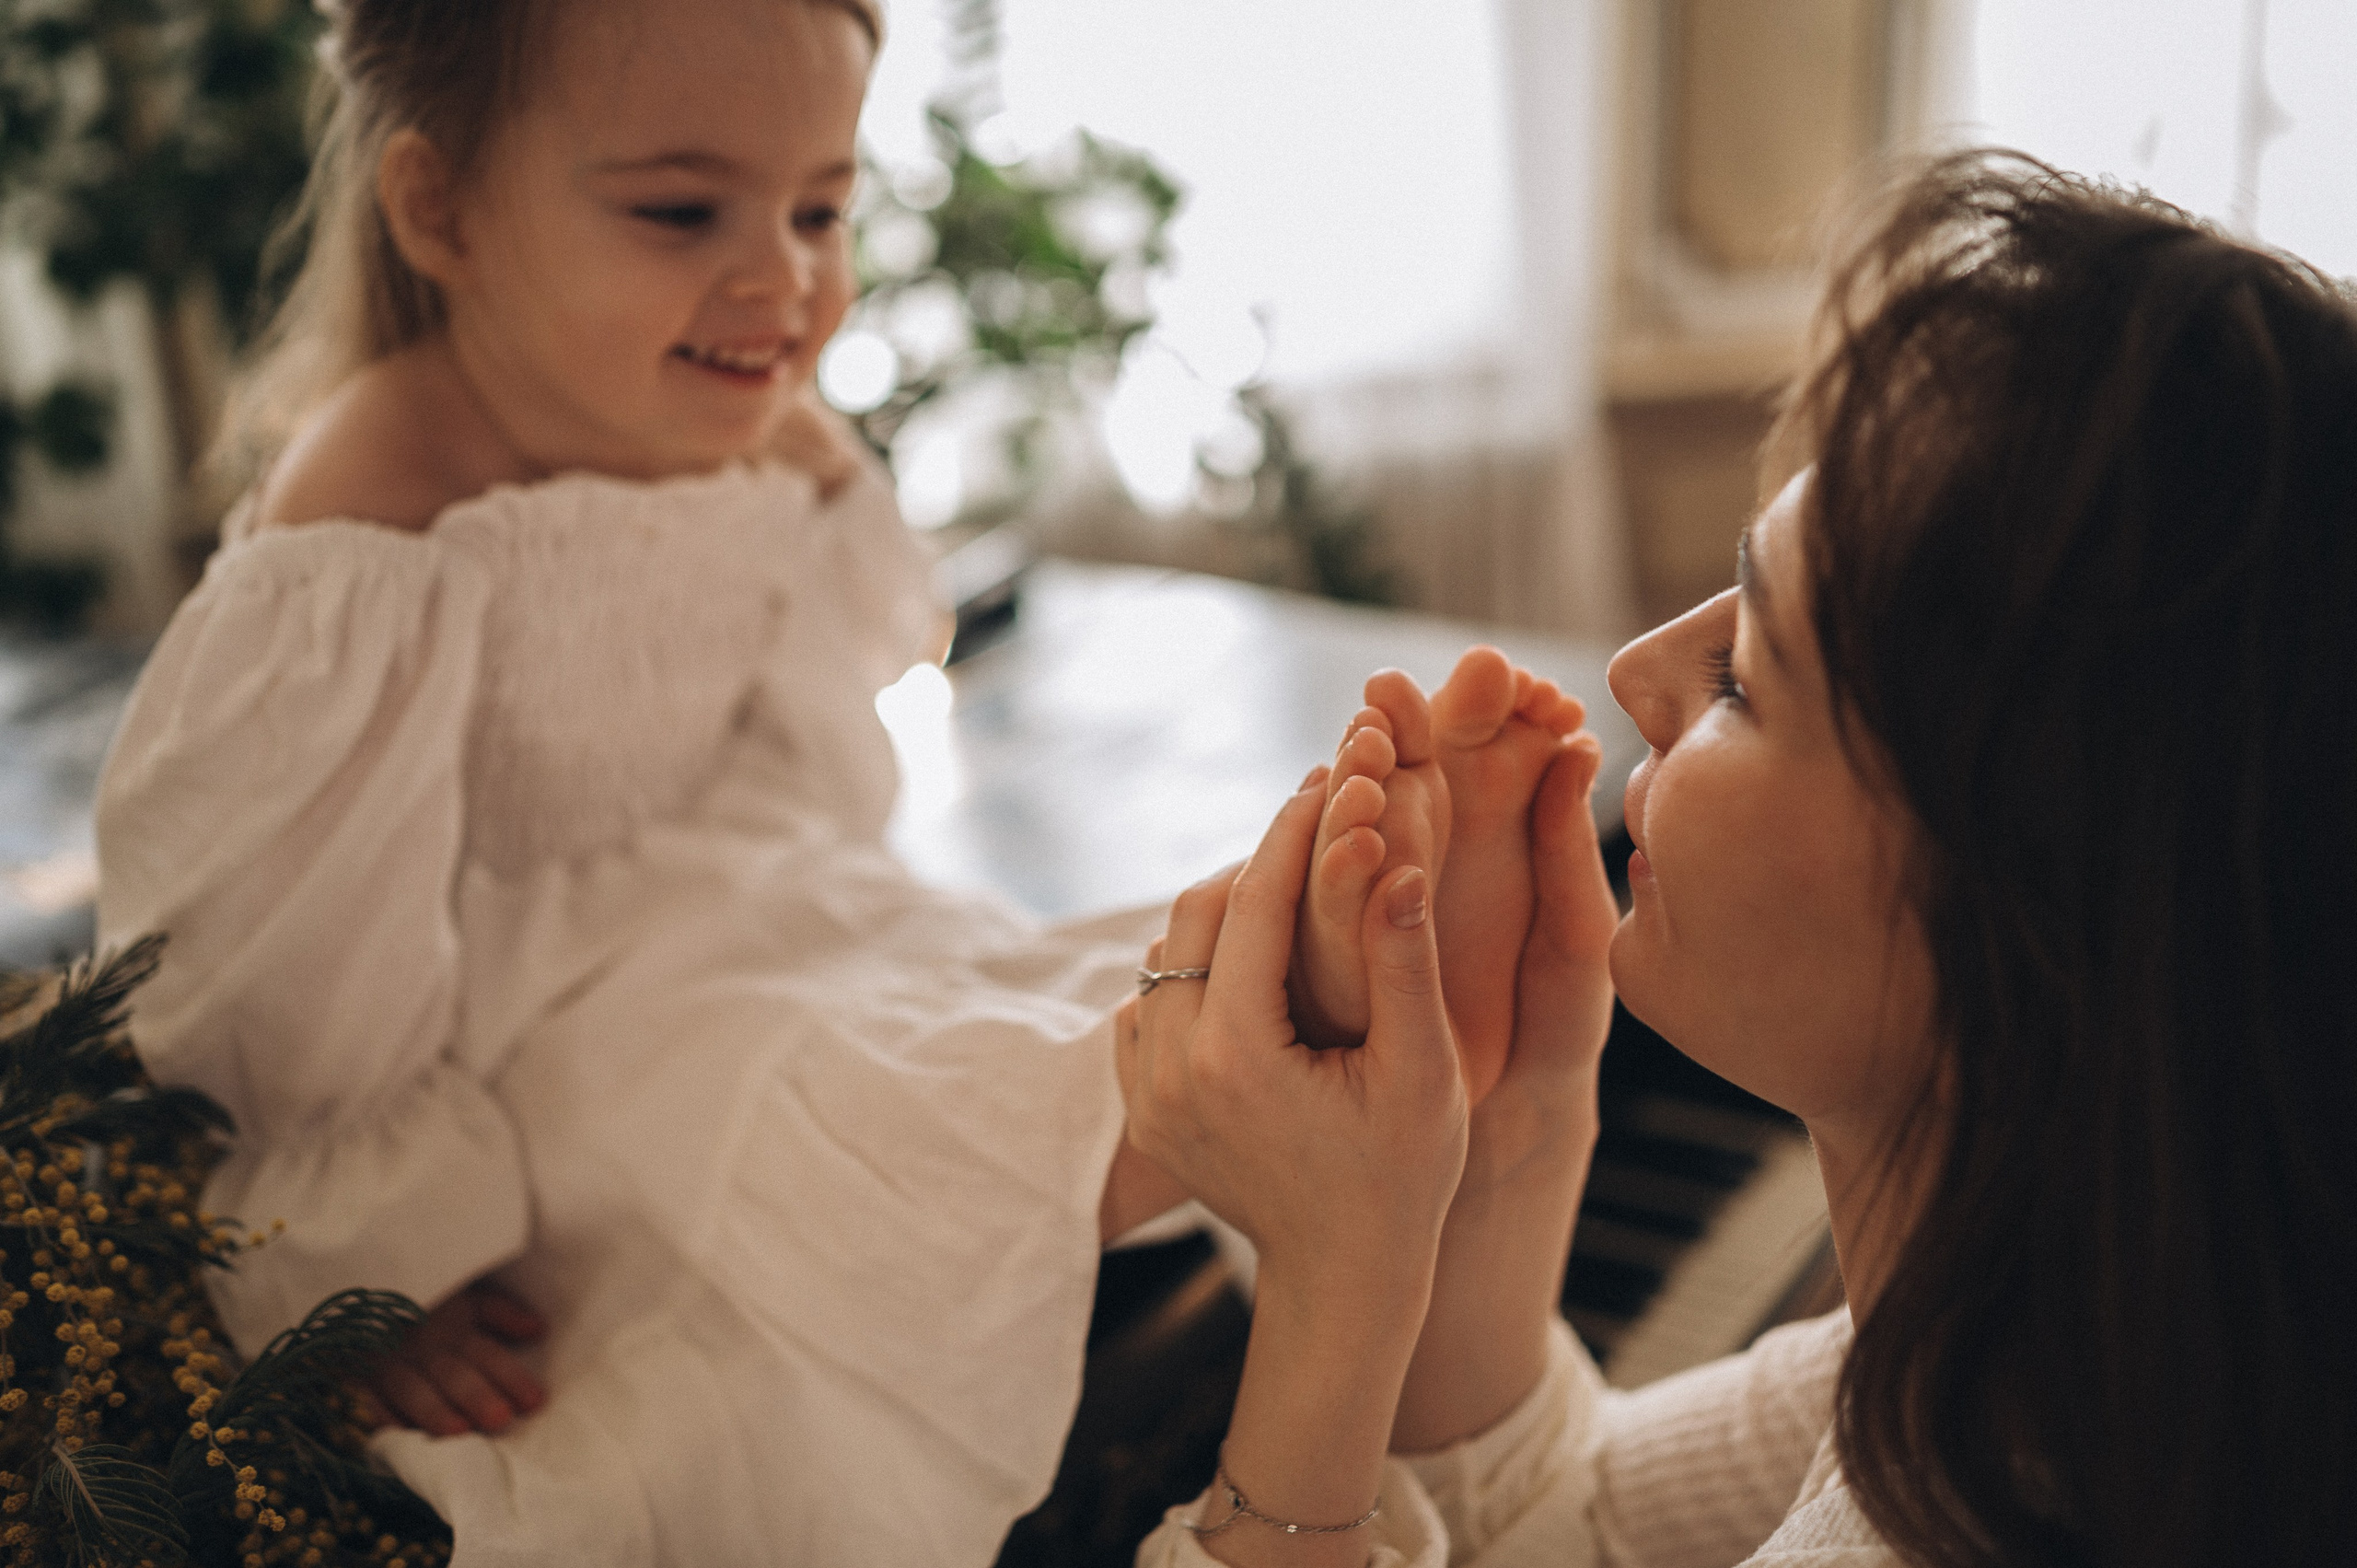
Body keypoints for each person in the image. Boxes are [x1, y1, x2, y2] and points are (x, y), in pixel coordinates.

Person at [91, 0, 1587, 1560]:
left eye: (820, 207)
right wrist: (357, 1256)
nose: (783, 278)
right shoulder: (378, 498)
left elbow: (818, 760)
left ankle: (1261, 988)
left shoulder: (737, 424)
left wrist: (812, 504)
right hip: (503, 1002)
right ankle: (1242, 1075)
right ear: (439, 209)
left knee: (971, 975)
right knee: (803, 1095)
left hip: (758, 886)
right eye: (683, 211)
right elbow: (274, 942)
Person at [1123, 153, 2357, 1568]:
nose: (1641, 673)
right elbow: (1576, 1530)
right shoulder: (2061, 1355)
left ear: (2023, 910)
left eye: (1746, 675)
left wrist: (1332, 1287)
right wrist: (1506, 1132)